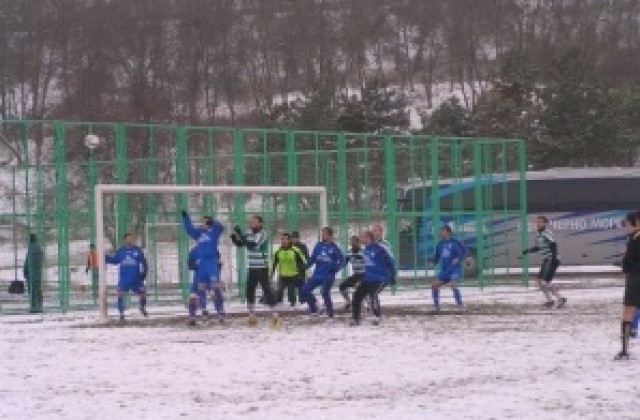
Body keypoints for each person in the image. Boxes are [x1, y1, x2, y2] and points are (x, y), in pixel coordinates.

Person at [230, 215, 281, 328]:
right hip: (252, 267)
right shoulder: (249, 233)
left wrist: (240, 234)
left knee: (266, 290)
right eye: (251, 222)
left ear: (260, 223)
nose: (252, 223)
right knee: (250, 290)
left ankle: (276, 316)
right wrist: (234, 238)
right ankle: (252, 315)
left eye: (254, 222)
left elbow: (253, 245)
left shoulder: (262, 234)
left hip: (261, 267)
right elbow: (242, 243)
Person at [182, 211, 224, 326]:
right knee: (200, 288)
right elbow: (189, 229)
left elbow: (221, 227)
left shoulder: (214, 232)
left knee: (215, 287)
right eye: (201, 222)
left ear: (209, 223)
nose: (202, 224)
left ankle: (220, 311)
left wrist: (212, 222)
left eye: (204, 222)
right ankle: (204, 311)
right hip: (202, 266)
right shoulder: (199, 234)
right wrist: (186, 218)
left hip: (211, 264)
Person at [523, 215, 567, 309]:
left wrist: (554, 258)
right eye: (537, 222)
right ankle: (550, 301)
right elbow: (539, 247)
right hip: (546, 260)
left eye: (540, 222)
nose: (538, 224)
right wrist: (528, 251)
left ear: (545, 223)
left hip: (551, 260)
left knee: (544, 282)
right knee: (540, 281)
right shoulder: (539, 235)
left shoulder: (546, 233)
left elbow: (553, 245)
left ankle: (561, 298)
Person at [351, 231, 395, 326]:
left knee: (373, 294)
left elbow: (390, 262)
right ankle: (355, 318)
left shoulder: (379, 248)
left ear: (368, 238)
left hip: (380, 278)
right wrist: (360, 280)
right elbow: (366, 267)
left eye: (363, 237)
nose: (361, 239)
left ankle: (377, 317)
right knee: (356, 296)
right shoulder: (364, 250)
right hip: (368, 279)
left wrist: (392, 276)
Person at [301, 227, 344, 320]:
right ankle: (315, 309)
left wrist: (335, 268)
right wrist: (304, 267)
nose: (323, 235)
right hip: (317, 274)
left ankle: (330, 315)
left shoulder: (334, 248)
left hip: (328, 276)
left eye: (325, 234)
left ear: (330, 236)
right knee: (304, 290)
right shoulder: (318, 246)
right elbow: (312, 259)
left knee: (324, 292)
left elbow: (342, 261)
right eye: (322, 233)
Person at [105, 233, 148, 322]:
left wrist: (144, 273)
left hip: (136, 278)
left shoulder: (138, 250)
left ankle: (142, 307)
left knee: (143, 294)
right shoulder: (121, 251)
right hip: (124, 279)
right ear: (125, 240)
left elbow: (144, 262)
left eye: (132, 238)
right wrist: (105, 257)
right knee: (120, 293)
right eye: (128, 239)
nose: (130, 240)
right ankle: (121, 313)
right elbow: (115, 261)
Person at [615, 211, 640, 360]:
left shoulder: (634, 237)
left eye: (627, 222)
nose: (626, 225)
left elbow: (628, 260)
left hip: (636, 278)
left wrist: (624, 270)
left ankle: (624, 350)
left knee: (627, 313)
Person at [429, 225, 466, 313]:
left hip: (454, 270)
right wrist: (433, 263)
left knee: (453, 284)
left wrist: (458, 259)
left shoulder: (454, 243)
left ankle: (460, 305)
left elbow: (461, 254)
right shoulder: (440, 245)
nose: (441, 233)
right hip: (445, 271)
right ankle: (436, 307)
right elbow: (437, 257)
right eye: (441, 231)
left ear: (448, 232)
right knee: (434, 285)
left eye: (443, 231)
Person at [271, 233, 306, 307]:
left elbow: (303, 262)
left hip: (293, 275)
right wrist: (270, 274)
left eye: (286, 239)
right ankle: (279, 307)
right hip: (282, 275)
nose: (284, 241)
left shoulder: (295, 251)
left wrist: (305, 274)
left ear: (290, 240)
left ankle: (293, 306)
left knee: (291, 293)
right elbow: (273, 264)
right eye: (282, 239)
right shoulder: (278, 251)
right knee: (280, 290)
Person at [339, 235, 365, 310]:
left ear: (358, 243)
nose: (352, 244)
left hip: (364, 275)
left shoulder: (363, 253)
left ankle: (364, 303)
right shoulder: (349, 253)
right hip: (356, 275)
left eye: (354, 242)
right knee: (342, 286)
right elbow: (344, 263)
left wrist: (361, 280)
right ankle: (348, 301)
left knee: (359, 287)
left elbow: (369, 266)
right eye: (351, 242)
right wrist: (335, 268)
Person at [24, 233, 44, 313]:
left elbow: (28, 261)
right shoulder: (38, 247)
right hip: (37, 272)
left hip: (31, 272)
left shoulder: (31, 248)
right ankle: (38, 306)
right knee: (37, 289)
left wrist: (25, 271)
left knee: (32, 290)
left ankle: (35, 307)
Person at [291, 231, 309, 303]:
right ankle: (292, 301)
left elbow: (307, 258)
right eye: (293, 238)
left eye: (295, 238)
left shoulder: (303, 246)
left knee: (301, 286)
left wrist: (303, 267)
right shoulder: (289, 246)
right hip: (291, 270)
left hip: (301, 270)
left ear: (298, 238)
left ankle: (302, 301)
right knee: (291, 286)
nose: (294, 239)